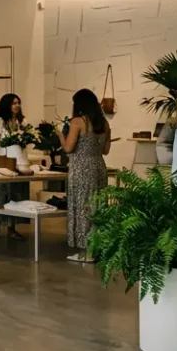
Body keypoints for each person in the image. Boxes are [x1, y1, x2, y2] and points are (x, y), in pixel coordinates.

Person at [63, 88, 110, 263]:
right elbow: (105, 150)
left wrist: (60, 136)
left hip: (81, 168)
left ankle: (86, 252)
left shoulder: (78, 122)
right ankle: (97, 248)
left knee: (83, 207)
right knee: (97, 207)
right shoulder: (104, 123)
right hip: (99, 167)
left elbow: (68, 148)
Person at [0, 93, 29, 240]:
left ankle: (12, 228)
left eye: (18, 103)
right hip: (3, 162)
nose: (17, 106)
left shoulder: (22, 122)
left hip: (19, 162)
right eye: (13, 103)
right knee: (0, 195)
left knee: (15, 196)